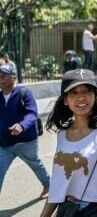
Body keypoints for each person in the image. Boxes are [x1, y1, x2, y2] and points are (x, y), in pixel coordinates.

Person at [40, 69, 97, 217]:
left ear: (95, 96)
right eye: (74, 92)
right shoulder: (62, 134)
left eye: (87, 91)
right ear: (65, 100)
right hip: (66, 210)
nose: (81, 97)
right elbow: (58, 184)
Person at [0, 63, 50, 198]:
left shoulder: (24, 93)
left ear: (13, 77)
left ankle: (48, 185)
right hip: (5, 144)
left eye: (3, 76)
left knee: (35, 164)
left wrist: (21, 126)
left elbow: (32, 114)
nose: (0, 80)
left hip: (25, 142)